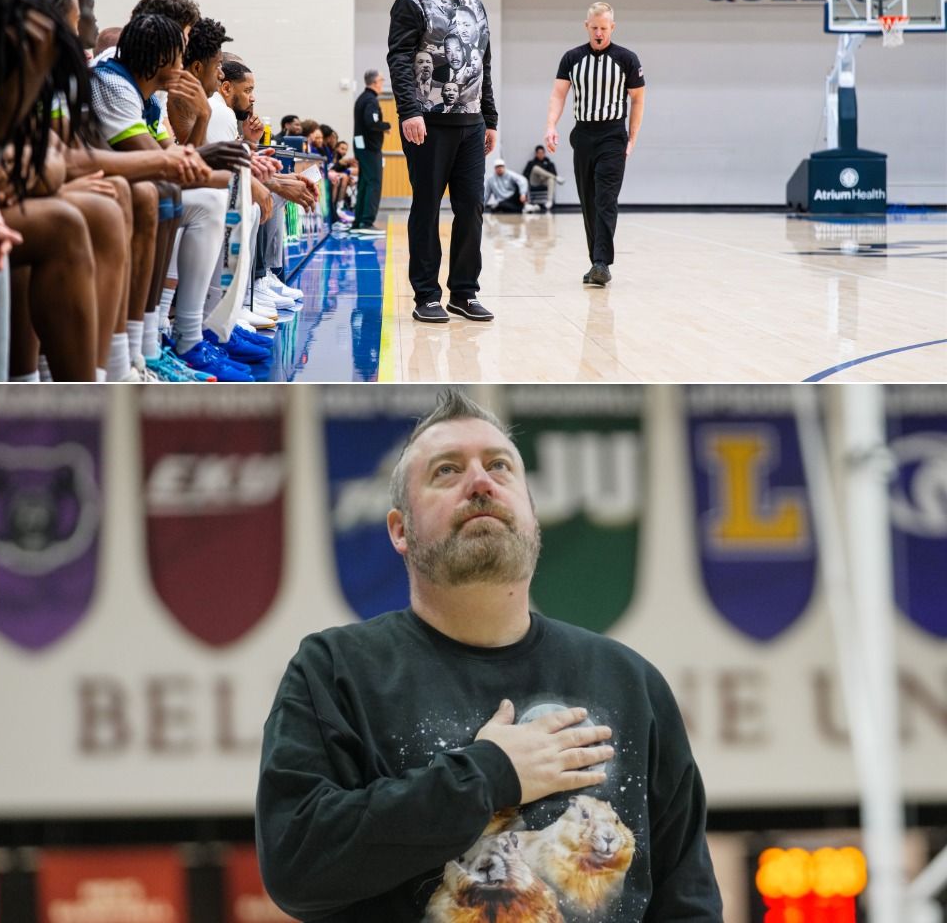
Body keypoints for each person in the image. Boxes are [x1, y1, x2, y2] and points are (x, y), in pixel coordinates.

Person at [255, 390, 722, 921]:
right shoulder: (336, 671)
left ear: (533, 514)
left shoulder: (629, 682)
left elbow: (688, 901)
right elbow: (295, 860)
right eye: (447, 471)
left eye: (500, 467)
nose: (480, 483)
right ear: (400, 530)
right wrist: (488, 775)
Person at [388, 0, 498, 326]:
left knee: (471, 208)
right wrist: (409, 111)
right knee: (427, 207)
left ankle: (464, 293)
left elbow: (483, 63)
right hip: (428, 123)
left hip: (472, 123)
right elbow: (400, 58)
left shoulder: (476, 4)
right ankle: (426, 295)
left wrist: (490, 118)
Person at [545, 2, 647, 288]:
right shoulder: (572, 58)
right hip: (583, 135)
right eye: (594, 28)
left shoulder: (626, 59)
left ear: (612, 27)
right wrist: (551, 125)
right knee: (588, 201)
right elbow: (558, 95)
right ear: (586, 27)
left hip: (613, 135)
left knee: (605, 199)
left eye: (604, 28)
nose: (599, 33)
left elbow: (638, 100)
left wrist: (632, 138)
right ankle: (596, 263)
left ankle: (602, 262)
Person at [350, 68, 388, 236]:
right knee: (374, 183)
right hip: (369, 148)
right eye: (381, 80)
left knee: (365, 183)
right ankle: (366, 222)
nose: (382, 83)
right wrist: (386, 126)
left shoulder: (361, 98)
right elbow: (371, 123)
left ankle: (358, 221)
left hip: (361, 147)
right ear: (375, 82)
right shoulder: (370, 100)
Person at [523, 145, 563, 212]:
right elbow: (525, 174)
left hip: (545, 181)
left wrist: (544, 175)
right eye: (539, 153)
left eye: (542, 153)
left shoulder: (549, 163)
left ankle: (549, 201)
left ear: (544, 153)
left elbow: (554, 173)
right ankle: (556, 178)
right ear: (536, 154)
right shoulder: (531, 163)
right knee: (535, 168)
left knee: (551, 179)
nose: (541, 154)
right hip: (534, 181)